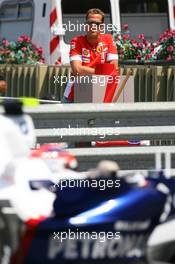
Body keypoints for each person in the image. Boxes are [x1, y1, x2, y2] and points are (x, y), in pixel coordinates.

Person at [62, 8, 118, 103]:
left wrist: (88, 71)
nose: (93, 26)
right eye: (90, 23)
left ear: (101, 27)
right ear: (85, 25)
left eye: (96, 24)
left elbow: (114, 68)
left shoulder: (108, 39)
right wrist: (103, 72)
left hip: (100, 92)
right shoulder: (76, 41)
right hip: (74, 94)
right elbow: (77, 70)